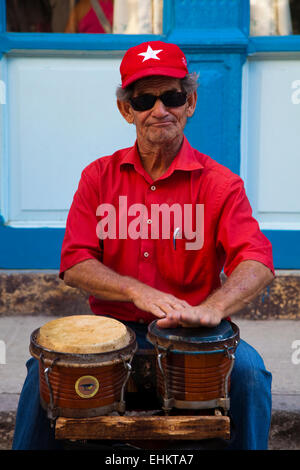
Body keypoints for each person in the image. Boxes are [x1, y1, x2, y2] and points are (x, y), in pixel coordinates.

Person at [12, 40, 274, 451]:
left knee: (251, 374)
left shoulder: (220, 184)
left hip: (193, 335)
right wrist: (136, 289)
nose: (159, 110)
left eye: (172, 96)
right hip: (112, 331)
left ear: (190, 102)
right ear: (126, 109)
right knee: (40, 373)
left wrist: (213, 309)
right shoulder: (97, 176)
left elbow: (256, 259)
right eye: (144, 99)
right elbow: (76, 260)